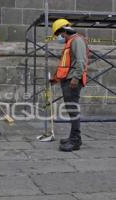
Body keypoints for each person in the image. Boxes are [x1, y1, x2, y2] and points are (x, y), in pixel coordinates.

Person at [50, 19, 89, 152]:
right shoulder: (71, 42)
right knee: (71, 110)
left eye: (59, 34)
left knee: (73, 110)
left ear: (64, 31)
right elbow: (65, 64)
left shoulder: (77, 40)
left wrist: (76, 78)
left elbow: (80, 61)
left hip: (73, 80)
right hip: (68, 79)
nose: (60, 37)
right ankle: (73, 137)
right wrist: (56, 78)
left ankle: (75, 140)